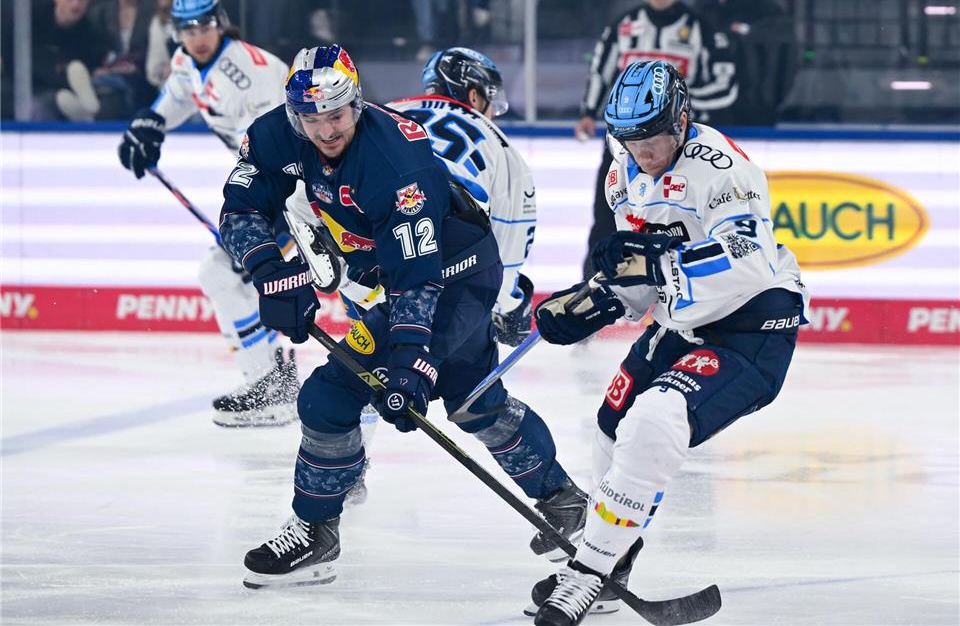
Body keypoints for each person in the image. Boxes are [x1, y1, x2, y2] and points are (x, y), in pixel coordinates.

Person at [220, 44, 588, 589]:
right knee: (470, 398)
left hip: (457, 277)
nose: (324, 130)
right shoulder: (280, 131)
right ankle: (564, 500)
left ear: (359, 104)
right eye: (311, 118)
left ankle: (315, 529)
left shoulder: (397, 162)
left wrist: (413, 360)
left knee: (332, 394)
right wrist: (269, 268)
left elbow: (419, 280)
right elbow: (242, 206)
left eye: (336, 116)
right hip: (396, 274)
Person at [527, 60, 809, 625]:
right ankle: (615, 562)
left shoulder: (723, 170)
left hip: (751, 327)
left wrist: (654, 267)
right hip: (682, 324)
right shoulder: (620, 172)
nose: (643, 152)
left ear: (680, 121)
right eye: (630, 139)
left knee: (654, 421)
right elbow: (641, 276)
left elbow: (747, 264)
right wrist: (594, 303)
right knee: (612, 425)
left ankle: (588, 575)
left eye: (652, 137)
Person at [117, 0, 299, 428]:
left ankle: (273, 381)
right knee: (223, 274)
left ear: (220, 21)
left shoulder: (249, 71)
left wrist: (256, 210)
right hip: (267, 191)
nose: (198, 36)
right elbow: (175, 99)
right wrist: (150, 125)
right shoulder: (186, 62)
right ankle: (272, 376)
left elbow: (278, 145)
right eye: (188, 28)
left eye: (205, 25)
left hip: (295, 192)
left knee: (222, 273)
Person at [576, 0, 738, 283]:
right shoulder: (623, 25)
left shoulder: (700, 27)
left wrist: (676, 105)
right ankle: (598, 285)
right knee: (607, 216)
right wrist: (588, 111)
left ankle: (678, 286)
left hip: (679, 145)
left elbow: (726, 86)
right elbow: (600, 70)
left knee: (679, 220)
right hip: (624, 144)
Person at [389, 46, 537, 348]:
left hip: (368, 239)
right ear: (474, 95)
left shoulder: (387, 111)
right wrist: (511, 308)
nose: (493, 110)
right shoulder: (499, 142)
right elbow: (508, 247)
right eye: (491, 100)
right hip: (445, 253)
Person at [694, 0, 798, 126]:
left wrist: (766, 104)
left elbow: (785, 63)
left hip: (753, 119)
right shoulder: (702, 6)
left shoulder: (766, 9)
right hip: (706, 116)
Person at [31, 0, 112, 121]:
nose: (76, 4)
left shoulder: (91, 32)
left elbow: (94, 62)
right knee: (41, 106)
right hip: (37, 86)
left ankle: (87, 113)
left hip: (71, 90)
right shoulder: (35, 21)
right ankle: (88, 118)